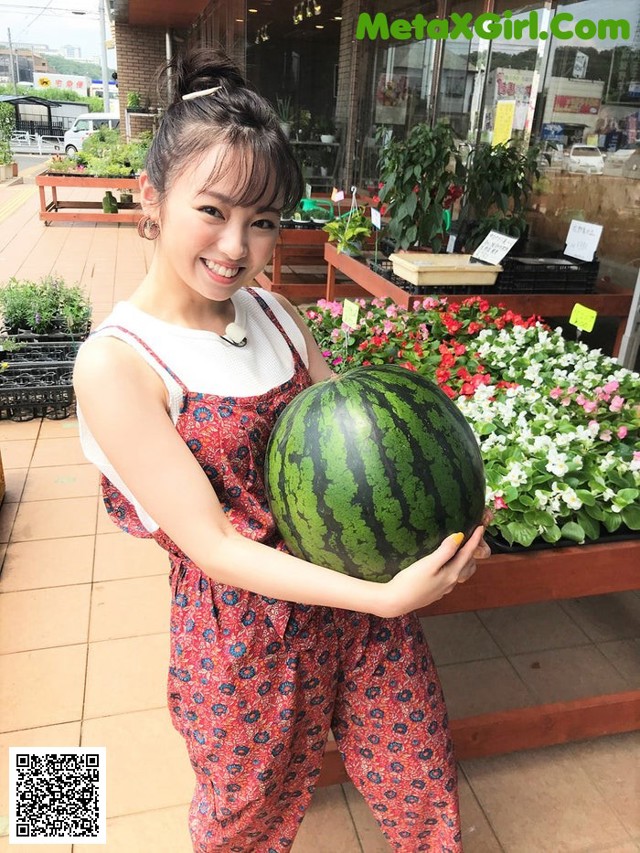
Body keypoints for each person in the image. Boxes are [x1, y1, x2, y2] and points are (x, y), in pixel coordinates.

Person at [74, 47, 490, 853]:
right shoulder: (118, 361)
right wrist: (382, 597)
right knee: (245, 821)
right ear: (152, 200)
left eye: (262, 220)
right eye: (215, 210)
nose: (238, 245)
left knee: (421, 784)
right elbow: (216, 542)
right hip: (243, 636)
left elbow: (352, 446)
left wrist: (442, 525)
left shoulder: (270, 312)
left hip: (360, 606)